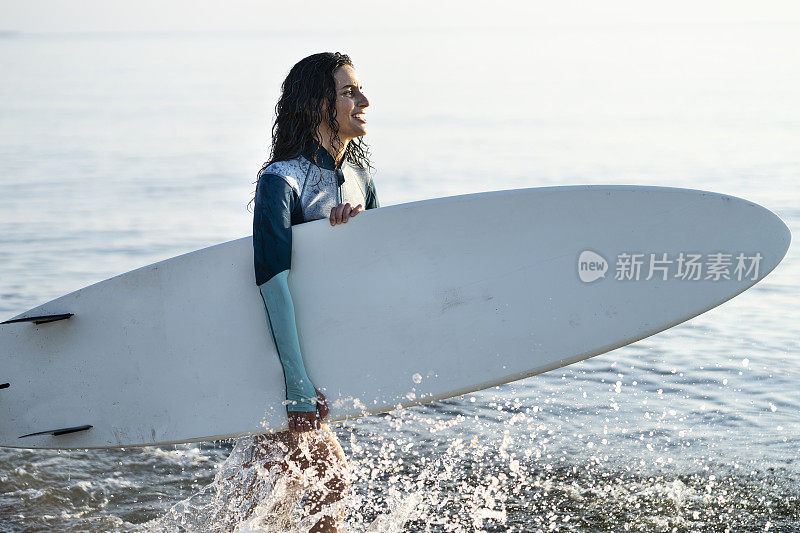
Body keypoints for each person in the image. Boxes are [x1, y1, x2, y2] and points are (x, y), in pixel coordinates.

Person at [243, 52, 378, 533]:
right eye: (348, 91)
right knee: (331, 485)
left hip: (319, 366)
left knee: (270, 506)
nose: (363, 100)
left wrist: (345, 237)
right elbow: (272, 281)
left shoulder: (361, 180)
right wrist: (296, 385)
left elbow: (374, 275)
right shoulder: (281, 181)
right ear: (318, 104)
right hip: (281, 367)